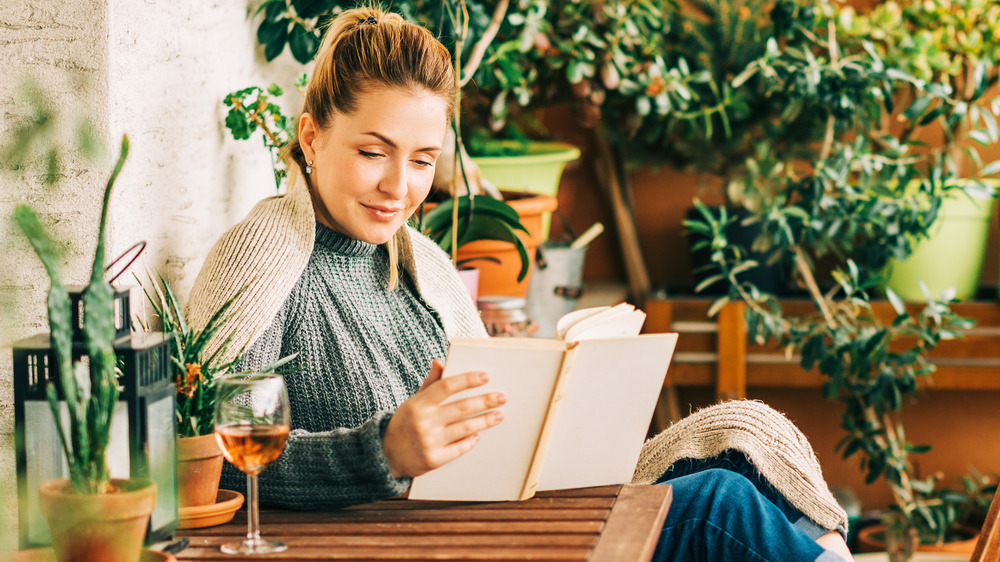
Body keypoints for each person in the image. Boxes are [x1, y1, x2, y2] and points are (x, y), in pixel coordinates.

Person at [186, 7, 853, 561]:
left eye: (422, 161)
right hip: (444, 542)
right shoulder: (266, 257)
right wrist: (383, 450)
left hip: (498, 515)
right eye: (371, 152)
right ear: (310, 136)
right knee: (719, 508)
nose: (399, 187)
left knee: (743, 446)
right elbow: (207, 462)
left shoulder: (416, 262)